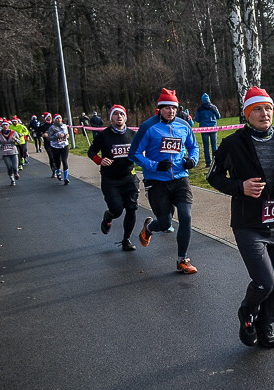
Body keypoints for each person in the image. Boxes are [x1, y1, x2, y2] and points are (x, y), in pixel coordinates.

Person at [207, 87, 274, 348]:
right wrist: (240, 187)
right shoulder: (233, 144)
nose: (264, 113)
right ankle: (247, 312)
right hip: (248, 223)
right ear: (247, 114)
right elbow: (213, 177)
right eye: (257, 109)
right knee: (265, 281)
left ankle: (265, 325)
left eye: (268, 108)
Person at [130, 88, 200, 274]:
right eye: (167, 107)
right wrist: (154, 165)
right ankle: (149, 227)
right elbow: (134, 154)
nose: (171, 111)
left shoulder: (184, 125)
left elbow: (194, 147)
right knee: (165, 223)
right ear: (159, 108)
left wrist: (192, 160)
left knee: (186, 217)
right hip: (156, 180)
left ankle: (182, 260)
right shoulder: (148, 127)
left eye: (174, 108)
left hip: (180, 178)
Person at [87, 105, 140, 251]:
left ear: (125, 117)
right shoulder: (104, 135)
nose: (119, 117)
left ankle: (126, 240)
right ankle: (109, 216)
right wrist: (100, 160)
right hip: (111, 180)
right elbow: (91, 151)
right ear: (111, 118)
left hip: (129, 177)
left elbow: (140, 151)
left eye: (121, 114)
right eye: (115, 114)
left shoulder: (132, 134)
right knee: (117, 210)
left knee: (131, 208)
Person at [195, 93, 222, 167]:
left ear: (202, 100)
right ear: (209, 99)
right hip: (213, 128)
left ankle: (208, 163)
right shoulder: (213, 107)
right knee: (214, 145)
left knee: (206, 146)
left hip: (204, 129)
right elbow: (218, 116)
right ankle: (215, 162)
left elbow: (196, 119)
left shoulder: (200, 109)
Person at [44, 114, 71, 184]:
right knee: (58, 161)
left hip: (64, 145)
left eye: (60, 118)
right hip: (55, 146)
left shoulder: (64, 126)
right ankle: (58, 172)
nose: (59, 120)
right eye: (57, 119)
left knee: (64, 161)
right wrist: (57, 136)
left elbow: (67, 133)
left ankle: (66, 178)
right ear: (54, 120)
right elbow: (49, 138)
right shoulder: (52, 128)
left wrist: (67, 135)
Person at [0, 120, 21, 185]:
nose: (5, 126)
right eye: (3, 125)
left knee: (15, 167)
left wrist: (15, 140)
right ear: (2, 126)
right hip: (5, 152)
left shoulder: (14, 132)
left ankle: (15, 173)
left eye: (6, 125)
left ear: (9, 125)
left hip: (13, 152)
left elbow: (19, 142)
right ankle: (12, 179)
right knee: (9, 167)